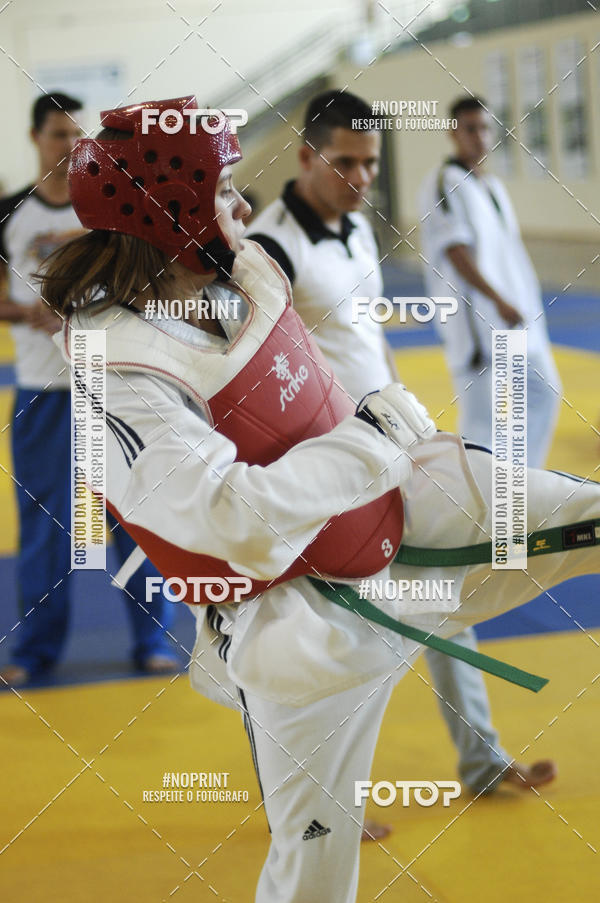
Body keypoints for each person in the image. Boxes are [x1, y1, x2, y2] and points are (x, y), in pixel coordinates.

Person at [42, 95, 599, 903]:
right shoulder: (119, 367)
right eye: (223, 188)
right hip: (301, 632)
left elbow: (317, 384)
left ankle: (477, 749)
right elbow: (229, 515)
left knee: (581, 513)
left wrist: (380, 436)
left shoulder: (242, 270)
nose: (240, 206)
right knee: (313, 880)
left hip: (407, 508)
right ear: (168, 214)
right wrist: (372, 436)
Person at [248, 89, 555, 799]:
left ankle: (480, 760)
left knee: (440, 592)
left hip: (392, 449)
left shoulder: (357, 228)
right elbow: (256, 372)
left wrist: (413, 419)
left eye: (370, 164)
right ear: (306, 156)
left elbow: (364, 336)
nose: (359, 179)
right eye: (344, 162)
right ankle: (310, 807)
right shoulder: (269, 248)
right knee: (328, 638)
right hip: (320, 472)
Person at [0, 92, 179, 687]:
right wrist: (27, 313)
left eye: (78, 135)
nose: (70, 145)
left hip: (111, 385)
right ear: (34, 139)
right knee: (47, 527)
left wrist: (85, 317)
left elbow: (141, 285)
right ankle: (36, 650)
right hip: (41, 390)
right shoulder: (10, 213)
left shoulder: (105, 209)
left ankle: (152, 639)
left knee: (133, 514)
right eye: (58, 134)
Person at [418, 95, 561, 468]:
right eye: (470, 129)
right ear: (453, 132)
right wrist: (497, 299)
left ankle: (523, 488)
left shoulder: (492, 185)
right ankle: (479, 515)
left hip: (516, 318)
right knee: (483, 430)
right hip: (479, 329)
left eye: (485, 128)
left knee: (544, 393)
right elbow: (456, 252)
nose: (479, 137)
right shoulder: (444, 182)